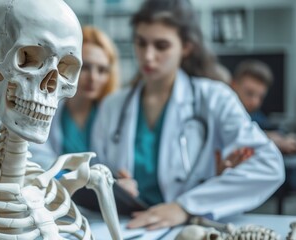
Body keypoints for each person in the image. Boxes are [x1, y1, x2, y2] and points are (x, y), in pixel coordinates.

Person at [91, 0, 284, 230]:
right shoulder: (113, 106)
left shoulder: (213, 98)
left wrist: (185, 206)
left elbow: (269, 165)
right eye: (141, 43)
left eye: (161, 46)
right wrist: (111, 185)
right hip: (126, 227)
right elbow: (95, 172)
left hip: (190, 229)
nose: (148, 56)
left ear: (186, 47)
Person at [29, 25, 119, 169]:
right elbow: (38, 156)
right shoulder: (45, 107)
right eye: (85, 67)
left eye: (102, 70)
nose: (93, 78)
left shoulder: (114, 114)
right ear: (66, 64)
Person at [231, 59, 296, 154]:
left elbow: (264, 128)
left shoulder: (255, 114)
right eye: (249, 93)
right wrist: (270, 140)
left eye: (261, 97)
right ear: (233, 85)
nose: (255, 102)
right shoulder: (225, 112)